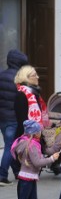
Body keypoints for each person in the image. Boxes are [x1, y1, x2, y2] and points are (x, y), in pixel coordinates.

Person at [14, 65, 51, 199]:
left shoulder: (34, 93)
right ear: (25, 78)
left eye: (36, 74)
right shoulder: (22, 95)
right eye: (33, 75)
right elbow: (23, 120)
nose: (37, 77)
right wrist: (29, 141)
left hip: (36, 138)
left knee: (34, 175)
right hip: (26, 140)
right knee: (26, 177)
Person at [11, 120, 59, 199]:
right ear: (35, 133)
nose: (41, 133)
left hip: (31, 177)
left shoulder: (34, 143)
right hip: (26, 178)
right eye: (39, 131)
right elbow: (37, 162)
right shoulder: (31, 145)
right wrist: (51, 159)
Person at [0, 49, 28, 186]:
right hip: (13, 117)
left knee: (10, 145)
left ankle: (17, 172)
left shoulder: (2, 75)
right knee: (10, 147)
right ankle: (2, 175)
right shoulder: (19, 79)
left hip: (2, 117)